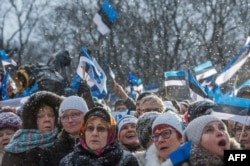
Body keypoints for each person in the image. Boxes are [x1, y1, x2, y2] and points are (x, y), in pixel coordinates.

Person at [59, 107, 139, 166]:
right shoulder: (68, 162)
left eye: (101, 129)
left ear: (110, 134)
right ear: (83, 132)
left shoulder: (127, 160)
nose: (94, 133)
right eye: (90, 128)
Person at [2, 91, 63, 166]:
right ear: (33, 120)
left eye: (51, 115)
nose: (47, 119)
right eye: (40, 116)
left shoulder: (65, 143)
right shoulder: (15, 147)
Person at [40, 95, 89, 166]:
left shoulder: (99, 144)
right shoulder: (51, 152)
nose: (70, 120)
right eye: (64, 117)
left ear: (86, 116)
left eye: (75, 114)